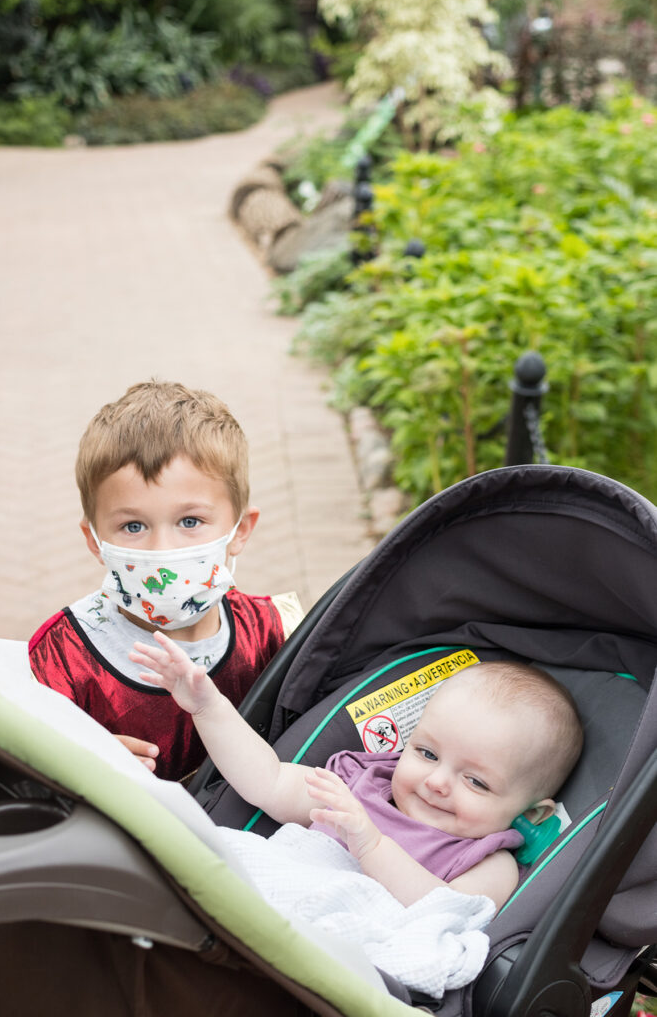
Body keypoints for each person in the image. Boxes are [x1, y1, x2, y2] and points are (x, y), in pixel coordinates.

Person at [130, 640, 584, 909]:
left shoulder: (488, 861)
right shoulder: (358, 787)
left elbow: (440, 914)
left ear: (534, 811)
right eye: (426, 753)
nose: (437, 782)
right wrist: (209, 708)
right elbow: (266, 780)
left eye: (476, 782)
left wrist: (370, 844)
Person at [29, 380, 303, 782]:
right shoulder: (61, 658)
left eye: (190, 521)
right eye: (133, 525)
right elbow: (24, 777)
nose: (161, 551)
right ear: (95, 539)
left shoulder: (275, 635)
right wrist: (76, 761)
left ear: (240, 529)